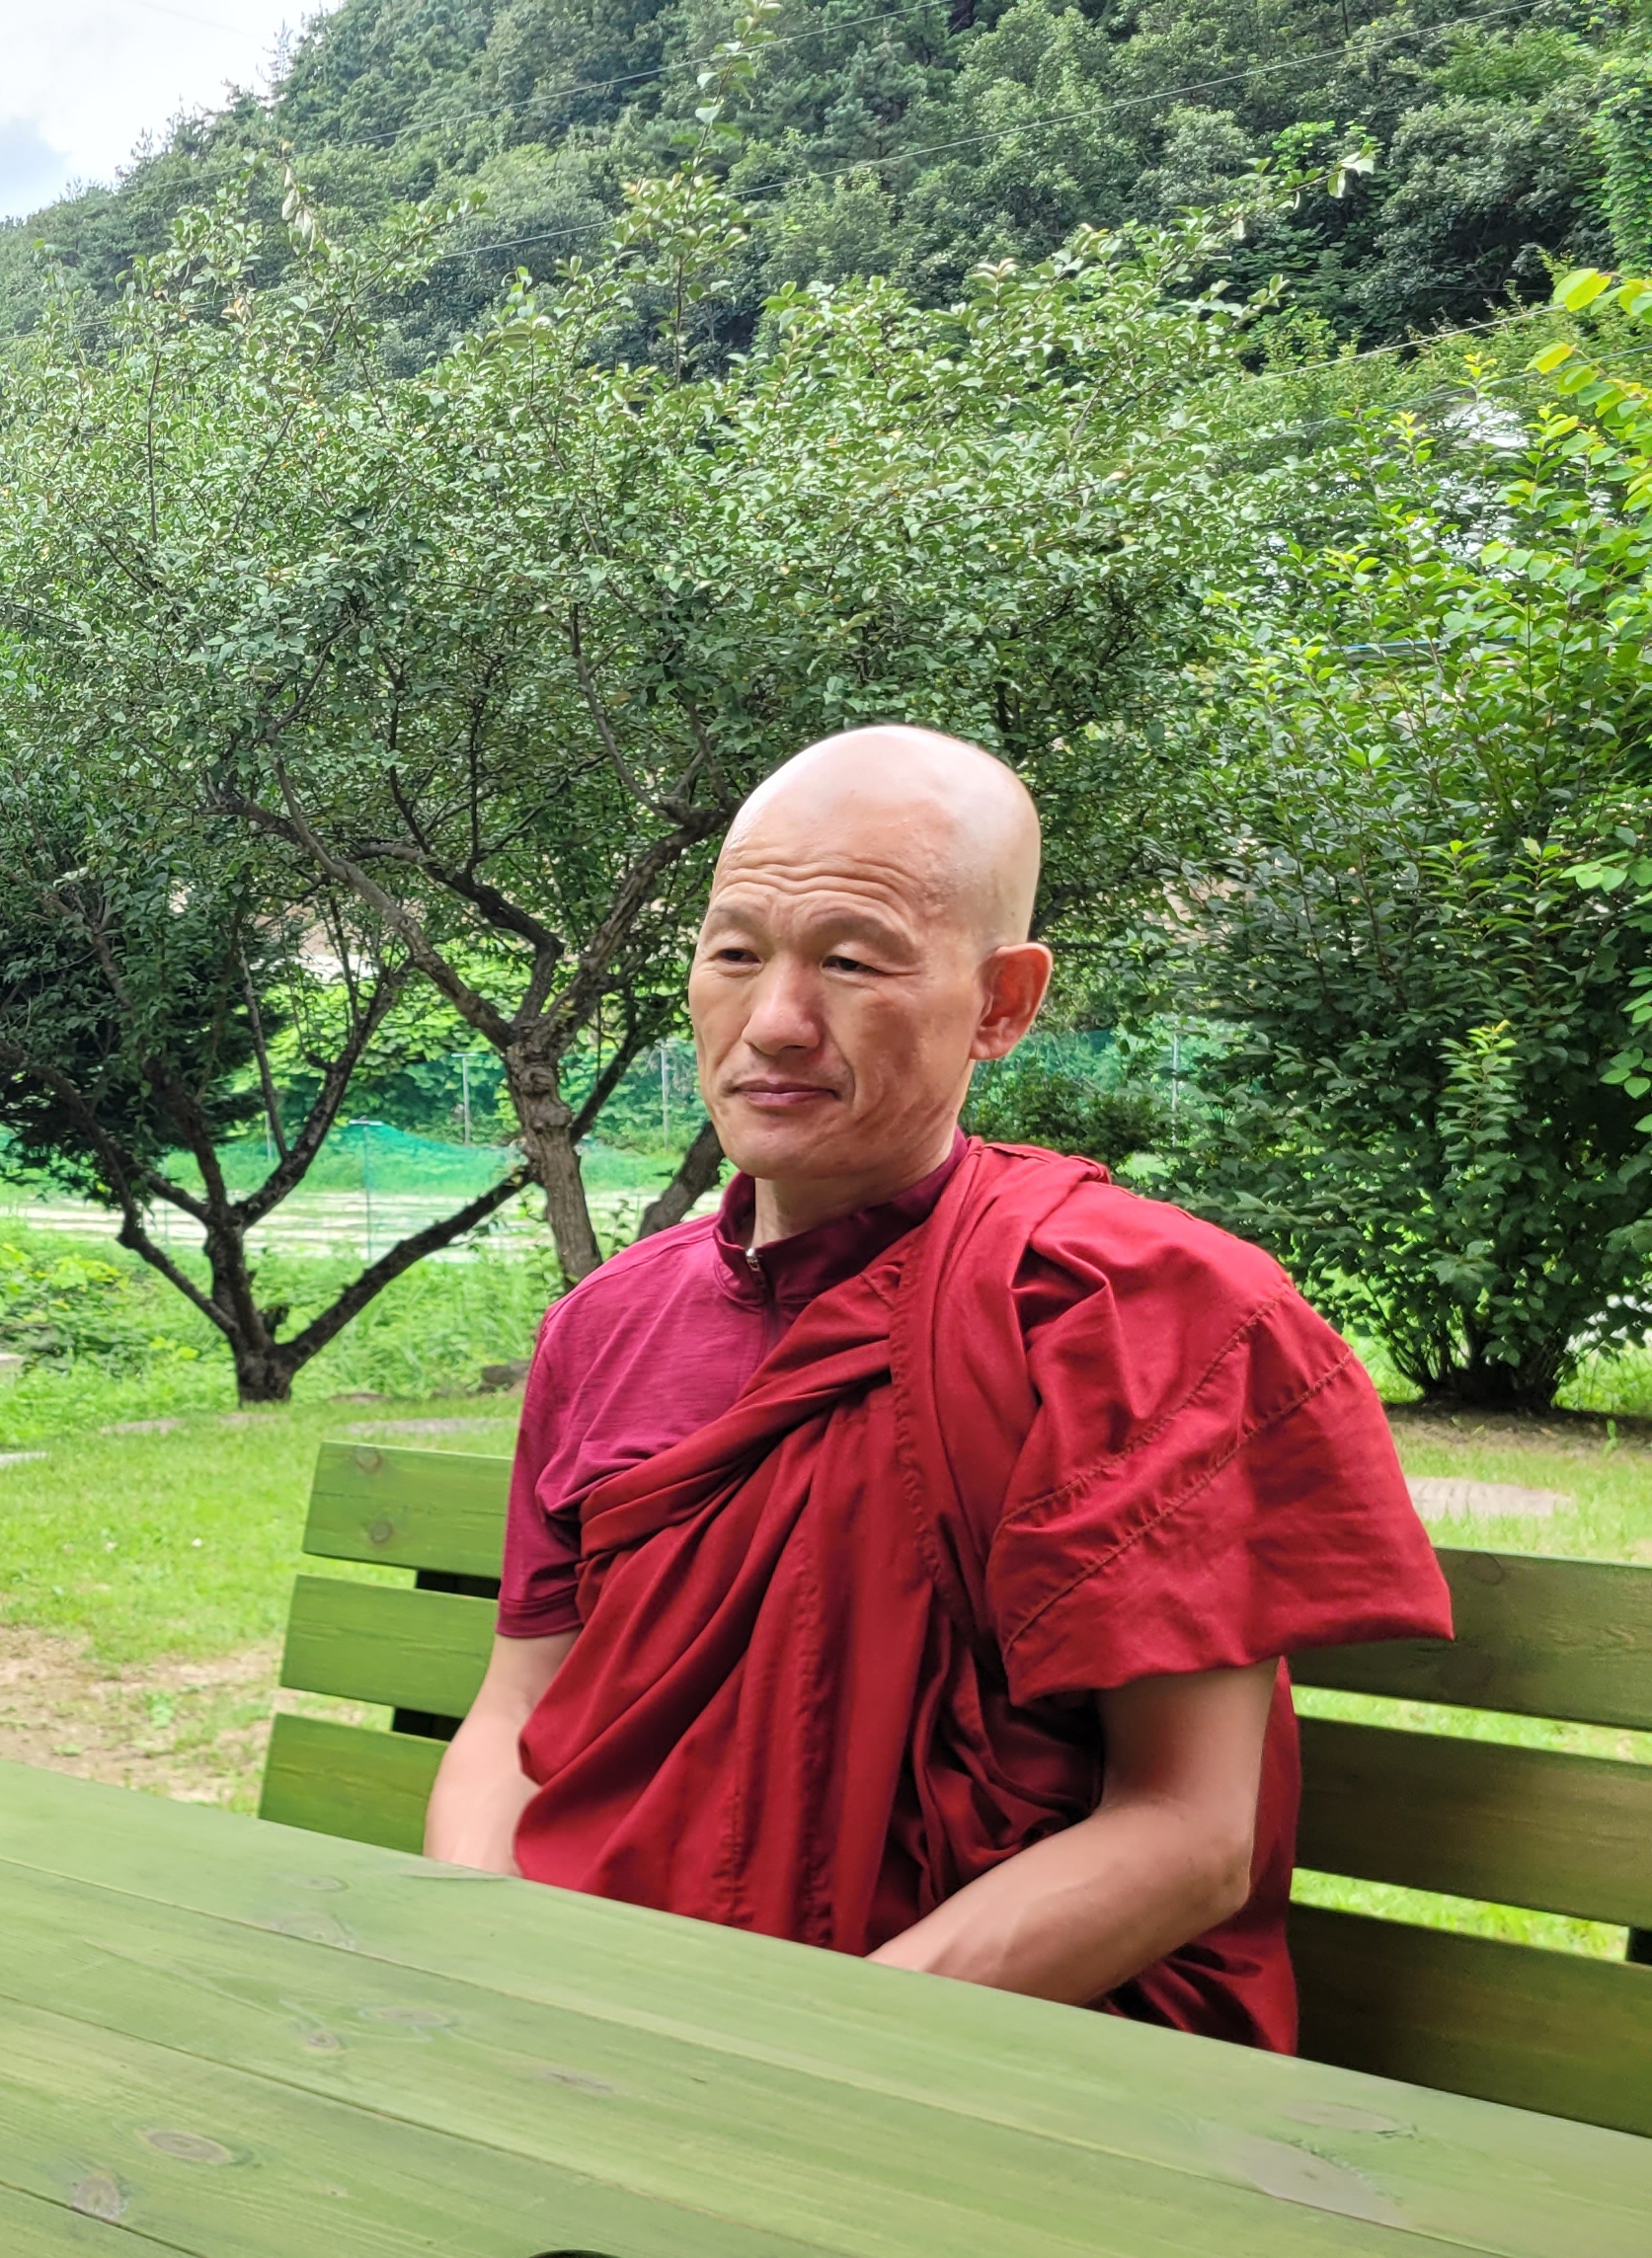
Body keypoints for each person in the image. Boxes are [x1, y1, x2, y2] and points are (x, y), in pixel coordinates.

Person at [425, 726, 1449, 2046]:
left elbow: (1189, 1834)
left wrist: (796, 2053)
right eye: (734, 953)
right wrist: (485, 1960)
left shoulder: (1130, 1314)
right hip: (595, 2003)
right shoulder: (607, 1326)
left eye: (852, 962)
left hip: (985, 2055)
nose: (774, 1022)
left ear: (1003, 1003)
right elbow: (519, 1708)